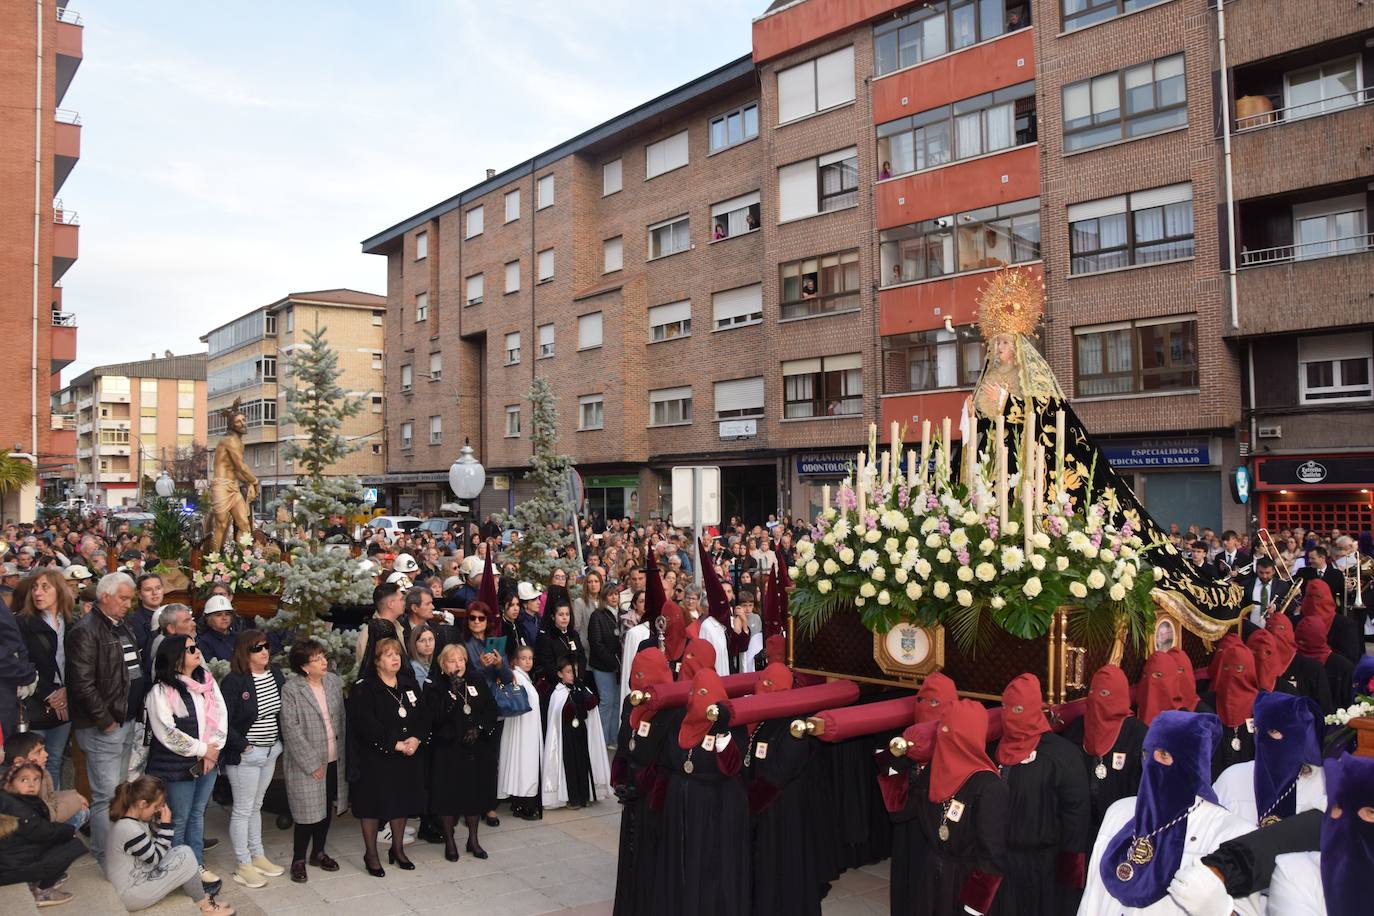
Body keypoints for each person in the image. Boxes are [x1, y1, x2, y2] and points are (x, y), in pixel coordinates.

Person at [1079, 711, 1262, 914]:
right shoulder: (1119, 813)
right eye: (1148, 754)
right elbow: (1092, 900)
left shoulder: (1232, 835)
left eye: (1164, 755)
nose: (1152, 764)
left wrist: (1219, 910)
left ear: (1193, 762)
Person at [652, 668, 749, 916]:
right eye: (694, 692)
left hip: (714, 807)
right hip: (682, 803)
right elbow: (666, 760)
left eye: (704, 693)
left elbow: (732, 767)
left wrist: (722, 731)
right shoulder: (678, 722)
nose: (697, 698)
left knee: (709, 865)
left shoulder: (730, 726)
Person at [992, 673, 1090, 916]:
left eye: (1017, 708)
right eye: (1005, 707)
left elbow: (1076, 812)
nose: (1009, 715)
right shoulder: (995, 749)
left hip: (1045, 864)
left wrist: (1070, 868)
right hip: (1003, 860)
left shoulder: (1061, 755)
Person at [66, 571, 143, 868]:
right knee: (106, 797)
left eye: (129, 599)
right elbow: (82, 684)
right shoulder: (86, 630)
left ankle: (117, 850)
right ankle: (105, 855)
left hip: (125, 720)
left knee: (119, 793)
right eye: (123, 598)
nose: (127, 604)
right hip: (105, 726)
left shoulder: (121, 626)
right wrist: (105, 720)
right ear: (105, 596)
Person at [144, 634, 227, 888]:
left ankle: (196, 865)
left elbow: (221, 714)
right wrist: (203, 750)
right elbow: (168, 733)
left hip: (207, 762)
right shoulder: (160, 691)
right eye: (190, 648)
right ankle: (176, 871)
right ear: (176, 657)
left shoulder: (207, 682)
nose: (197, 651)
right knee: (178, 818)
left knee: (197, 815)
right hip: (176, 767)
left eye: (196, 646)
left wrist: (214, 749)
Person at [346, 636, 425, 877]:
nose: (395, 659)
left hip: (406, 757)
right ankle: (371, 853)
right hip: (375, 758)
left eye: (397, 654)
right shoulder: (364, 688)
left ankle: (397, 849)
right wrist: (395, 744)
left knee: (401, 802)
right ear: (376, 661)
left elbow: (424, 715)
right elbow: (365, 725)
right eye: (388, 655)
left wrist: (416, 738)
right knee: (372, 805)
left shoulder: (408, 684)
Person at [104, 775, 234, 914]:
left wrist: (160, 825)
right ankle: (204, 906)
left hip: (139, 880)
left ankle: (201, 898)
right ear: (142, 804)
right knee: (185, 858)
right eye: (155, 807)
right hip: (131, 894)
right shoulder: (128, 829)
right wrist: (166, 826)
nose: (156, 811)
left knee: (184, 851)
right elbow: (156, 859)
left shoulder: (133, 821)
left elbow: (154, 850)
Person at [611, 648, 677, 916]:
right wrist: (619, 778)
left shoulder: (673, 708)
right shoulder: (631, 701)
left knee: (652, 854)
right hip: (633, 788)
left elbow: (667, 758)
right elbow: (625, 741)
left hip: (655, 795)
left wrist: (642, 786)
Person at [219, 629, 285, 888]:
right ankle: (243, 863)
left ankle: (258, 855)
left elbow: (281, 712)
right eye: (258, 648)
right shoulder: (235, 681)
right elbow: (225, 719)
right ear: (245, 652)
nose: (265, 651)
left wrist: (278, 744)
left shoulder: (275, 674)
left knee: (256, 805)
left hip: (271, 751)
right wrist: (244, 746)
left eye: (266, 646)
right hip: (247, 754)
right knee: (243, 809)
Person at [421, 644, 499, 860]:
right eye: (452, 661)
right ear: (443, 665)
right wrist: (452, 694)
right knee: (447, 796)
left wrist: (480, 728)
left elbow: (491, 709)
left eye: (461, 660)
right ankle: (450, 842)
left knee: (473, 795)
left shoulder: (477, 680)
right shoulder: (435, 686)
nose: (458, 665)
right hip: (447, 750)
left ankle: (473, 840)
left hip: (473, 748)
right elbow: (435, 716)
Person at [279, 639, 345, 884]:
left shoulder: (333, 682)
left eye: (323, 656)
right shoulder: (292, 689)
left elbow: (341, 720)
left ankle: (319, 852)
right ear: (305, 667)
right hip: (306, 761)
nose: (323, 661)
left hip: (334, 757)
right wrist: (311, 763)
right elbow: (291, 729)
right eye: (317, 659)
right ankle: (298, 859)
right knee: (307, 814)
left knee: (326, 807)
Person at [1213, 691, 1326, 827]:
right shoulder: (1232, 778)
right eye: (1258, 730)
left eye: (1273, 731)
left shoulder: (1323, 782)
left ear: (1296, 734)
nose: (1262, 740)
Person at [1061, 665, 1146, 843]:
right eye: (1092, 691)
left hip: (1122, 830)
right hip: (1081, 831)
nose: (1096, 698)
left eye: (1105, 694)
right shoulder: (1077, 729)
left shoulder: (1137, 734)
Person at [15, 569, 73, 790]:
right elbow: (23, 664)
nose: (38, 593)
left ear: (59, 590)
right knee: (31, 765)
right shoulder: (23, 623)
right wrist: (49, 694)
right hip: (34, 703)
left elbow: (76, 664)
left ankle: (52, 809)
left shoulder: (71, 621)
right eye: (35, 587)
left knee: (55, 761)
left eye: (45, 587)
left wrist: (67, 692)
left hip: (65, 704)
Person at [0, 761, 85, 907]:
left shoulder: (14, 800)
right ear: (9, 784)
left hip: (11, 862)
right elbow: (44, 832)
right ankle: (41, 891)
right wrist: (69, 831)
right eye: (24, 780)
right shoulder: (16, 807)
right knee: (73, 845)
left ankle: (38, 880)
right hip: (9, 869)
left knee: (62, 840)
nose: (31, 785)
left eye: (36, 779)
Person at [541, 656, 608, 811]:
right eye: (569, 672)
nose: (573, 675)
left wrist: (581, 691)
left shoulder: (580, 688)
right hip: (566, 735)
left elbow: (591, 704)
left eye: (575, 671)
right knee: (570, 765)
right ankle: (572, 797)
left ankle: (584, 795)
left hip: (581, 732)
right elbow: (557, 713)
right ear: (560, 674)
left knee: (583, 762)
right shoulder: (557, 692)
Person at [0, 732, 87, 828]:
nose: (46, 754)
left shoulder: (42, 772)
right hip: (32, 830)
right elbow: (46, 815)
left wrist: (74, 795)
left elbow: (50, 797)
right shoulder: (15, 786)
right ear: (19, 762)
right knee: (81, 813)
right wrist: (75, 801)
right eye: (38, 752)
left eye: (44, 749)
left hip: (42, 822)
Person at [497, 645, 542, 821]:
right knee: (522, 763)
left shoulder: (526, 677)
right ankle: (522, 801)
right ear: (515, 661)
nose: (527, 661)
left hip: (527, 728)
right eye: (523, 658)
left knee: (524, 763)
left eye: (530, 658)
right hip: (520, 728)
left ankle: (522, 800)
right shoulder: (516, 676)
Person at [1203, 643, 1259, 779]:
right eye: (1226, 667)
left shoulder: (1262, 706)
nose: (1232, 673)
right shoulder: (1206, 704)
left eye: (1239, 668)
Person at [586, 576, 621, 744]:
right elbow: (596, 644)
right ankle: (600, 740)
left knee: (616, 702)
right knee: (607, 701)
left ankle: (613, 738)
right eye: (610, 595)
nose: (614, 597)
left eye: (616, 594)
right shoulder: (597, 615)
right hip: (603, 666)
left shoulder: (623, 614)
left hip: (619, 667)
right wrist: (613, 662)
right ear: (604, 597)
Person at [535, 599, 586, 687]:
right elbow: (548, 664)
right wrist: (563, 678)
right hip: (557, 683)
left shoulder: (573, 634)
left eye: (567, 614)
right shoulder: (547, 637)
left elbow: (581, 657)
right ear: (553, 617)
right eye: (560, 614)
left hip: (576, 680)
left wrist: (579, 675)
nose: (565, 618)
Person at [196, 597, 237, 664]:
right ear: (208, 619)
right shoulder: (204, 642)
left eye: (227, 614)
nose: (224, 618)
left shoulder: (239, 637)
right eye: (219, 615)